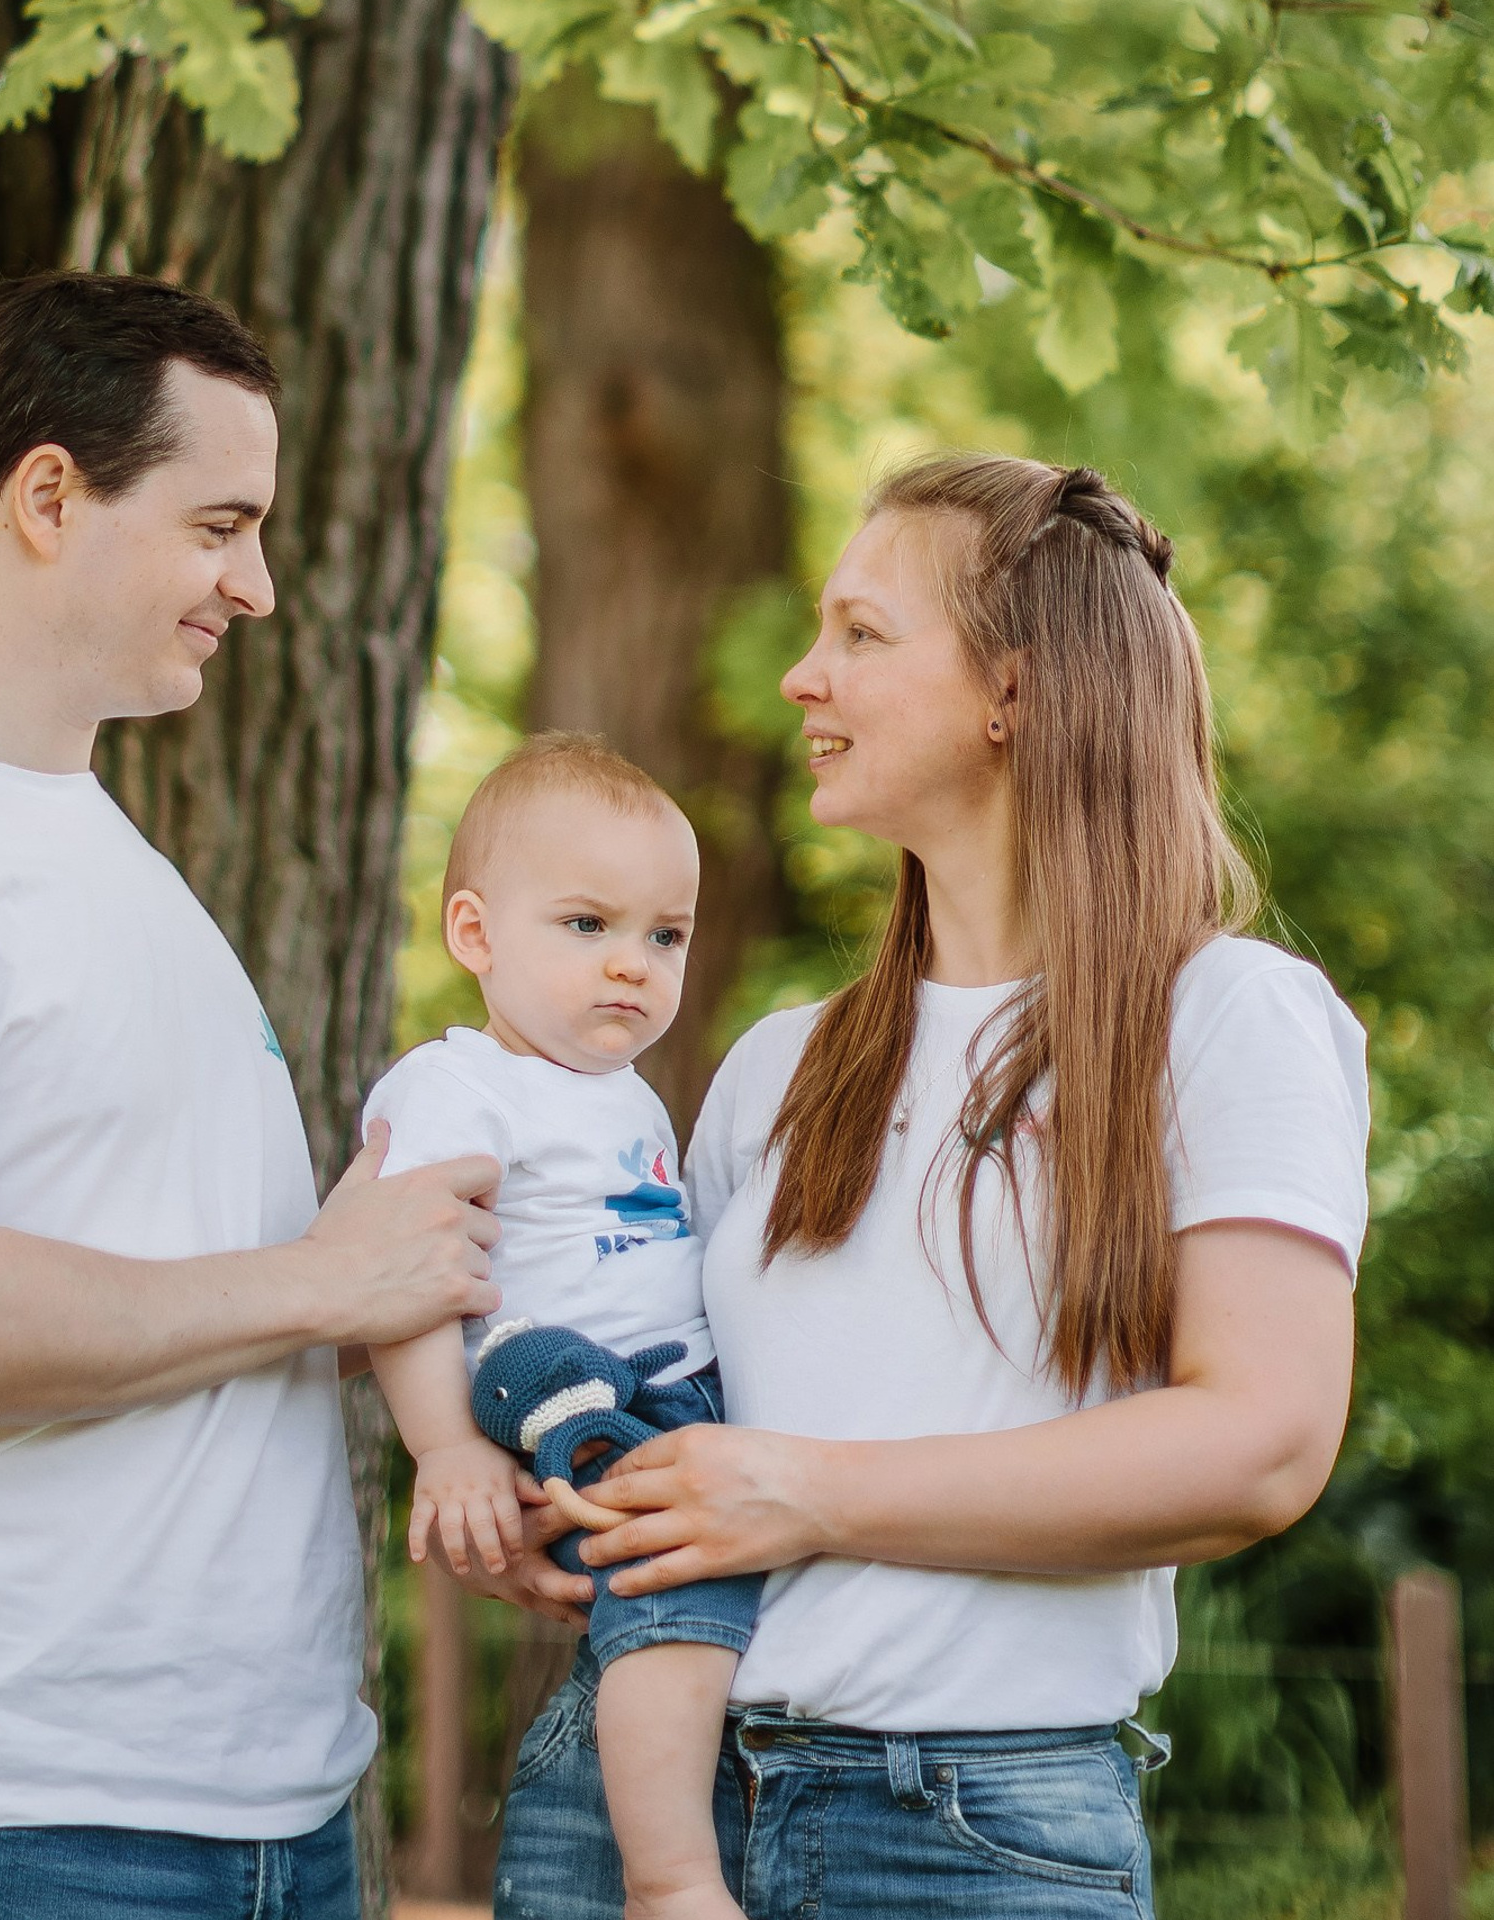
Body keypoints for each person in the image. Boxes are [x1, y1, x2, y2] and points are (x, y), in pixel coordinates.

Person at [0, 271, 518, 1920]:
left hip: (276, 1812)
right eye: (220, 526)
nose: (256, 586)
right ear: (49, 496)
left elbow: (219, 1310)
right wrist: (322, 1280)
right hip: (10, 1820)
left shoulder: (123, 870)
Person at [489, 454, 1368, 1920]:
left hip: (964, 1833)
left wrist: (808, 1496)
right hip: (631, 1800)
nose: (802, 676)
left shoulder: (1228, 1018)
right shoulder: (777, 1067)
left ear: (1013, 689)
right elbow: (670, 1387)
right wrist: (558, 1492)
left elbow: (1261, 1445)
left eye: (861, 632)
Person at [364, 734, 762, 1920]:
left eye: (665, 935)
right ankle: (670, 1877)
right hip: (545, 1380)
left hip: (668, 1388)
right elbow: (401, 1281)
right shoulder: (456, 1087)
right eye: (587, 925)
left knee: (701, 1568)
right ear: (475, 934)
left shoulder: (629, 1095)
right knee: (678, 1598)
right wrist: (443, 1447)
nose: (632, 963)